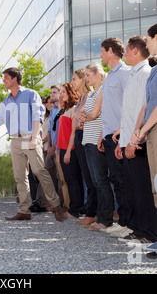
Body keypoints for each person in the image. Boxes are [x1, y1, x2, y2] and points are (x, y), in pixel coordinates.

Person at [0, 67, 65, 222]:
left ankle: (56, 205)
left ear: (15, 79)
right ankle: (24, 210)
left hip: (30, 138)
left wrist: (35, 138)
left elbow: (38, 116)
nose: (3, 80)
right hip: (15, 141)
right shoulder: (6, 102)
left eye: (6, 77)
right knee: (20, 177)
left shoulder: (30, 94)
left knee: (40, 171)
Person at [112, 36, 157, 245]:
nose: (125, 55)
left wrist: (134, 139)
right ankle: (139, 229)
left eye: (127, 51)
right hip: (131, 137)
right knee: (133, 188)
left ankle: (148, 232)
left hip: (139, 139)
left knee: (143, 189)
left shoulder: (146, 72)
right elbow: (131, 110)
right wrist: (123, 136)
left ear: (135, 51)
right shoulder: (134, 74)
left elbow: (145, 108)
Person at [97, 37, 131, 234]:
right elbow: (108, 110)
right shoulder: (109, 76)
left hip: (121, 136)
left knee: (124, 181)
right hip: (109, 135)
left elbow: (130, 105)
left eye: (102, 51)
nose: (100, 55)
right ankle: (124, 222)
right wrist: (103, 134)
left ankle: (129, 223)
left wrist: (120, 130)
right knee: (116, 180)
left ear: (110, 51)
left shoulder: (125, 73)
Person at [78, 62, 114, 232]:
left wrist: (83, 118)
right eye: (85, 75)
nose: (86, 78)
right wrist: (83, 117)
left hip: (95, 140)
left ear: (98, 74)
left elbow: (93, 114)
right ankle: (100, 217)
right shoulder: (91, 94)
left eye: (88, 75)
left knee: (101, 181)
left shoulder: (103, 90)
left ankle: (106, 219)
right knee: (95, 181)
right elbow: (82, 114)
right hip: (87, 140)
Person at [132, 24, 157, 209]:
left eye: (148, 40)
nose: (147, 46)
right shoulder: (154, 70)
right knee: (155, 184)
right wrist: (138, 129)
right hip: (150, 131)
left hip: (153, 129)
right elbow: (147, 104)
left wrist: (142, 130)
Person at [70, 69, 97, 226]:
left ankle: (93, 212)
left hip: (88, 135)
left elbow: (83, 120)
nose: (72, 82)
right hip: (79, 137)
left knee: (92, 177)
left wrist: (79, 120)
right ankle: (92, 211)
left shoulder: (90, 96)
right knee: (87, 177)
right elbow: (76, 122)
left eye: (75, 79)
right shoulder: (80, 99)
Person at [57, 83, 84, 219]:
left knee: (73, 180)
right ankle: (74, 207)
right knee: (68, 180)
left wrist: (68, 152)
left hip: (70, 149)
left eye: (64, 92)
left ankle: (75, 210)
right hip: (62, 149)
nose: (61, 94)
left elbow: (73, 132)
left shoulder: (74, 109)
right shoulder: (64, 110)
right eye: (61, 92)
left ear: (71, 93)